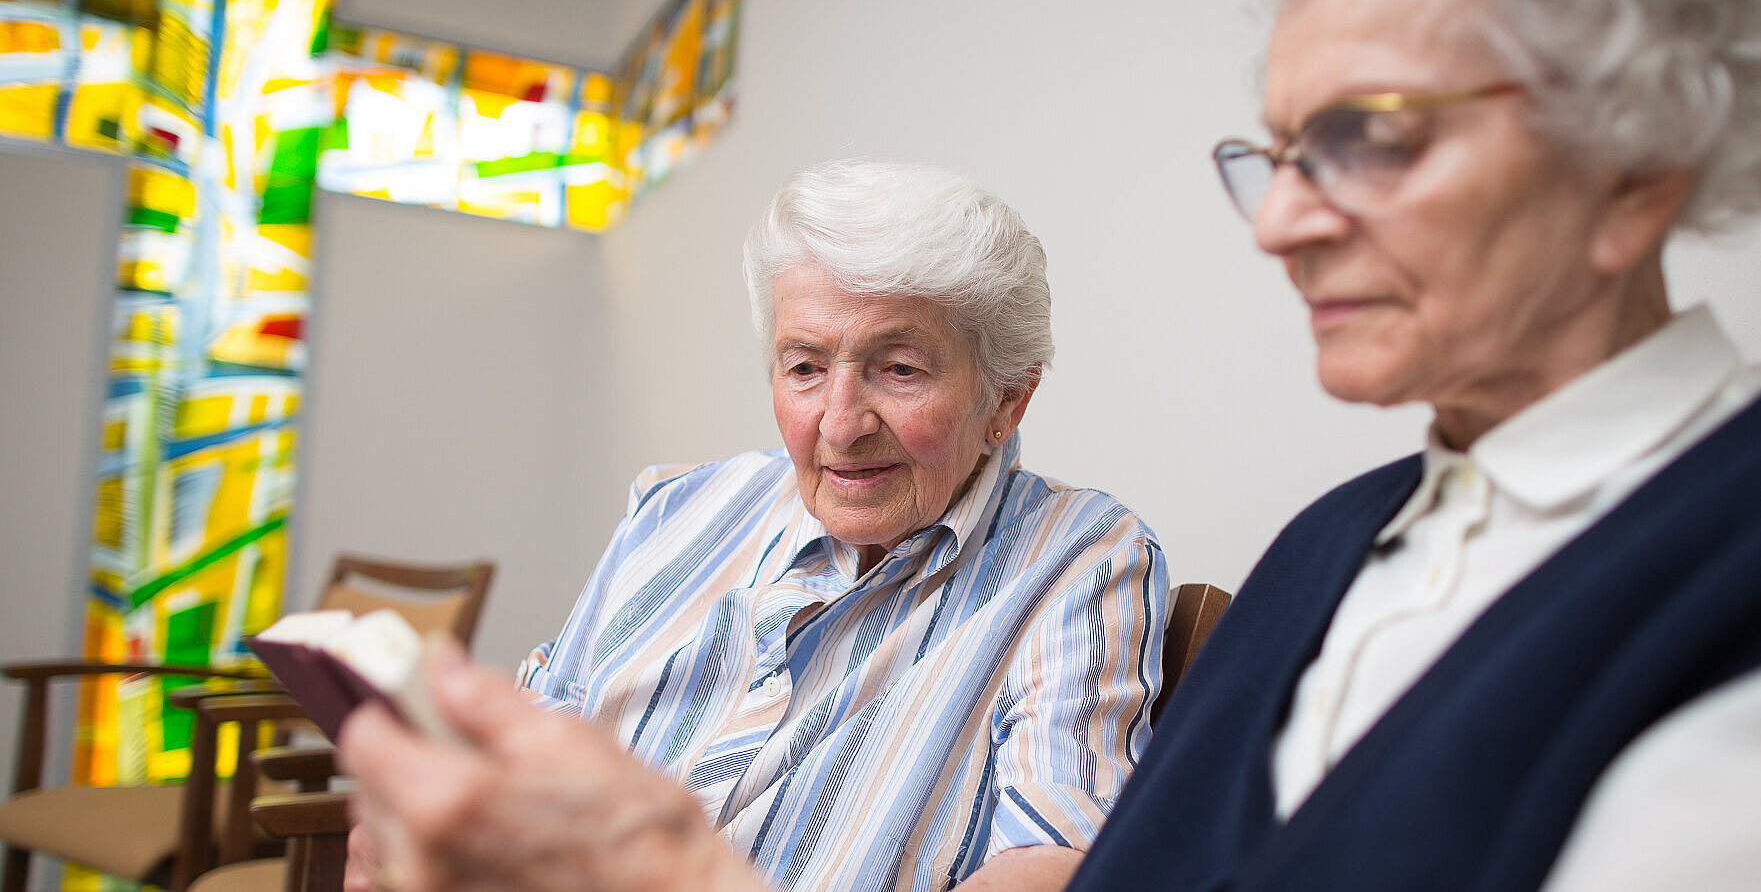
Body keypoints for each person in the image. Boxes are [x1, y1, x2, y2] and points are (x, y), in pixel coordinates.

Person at [1065, 0, 1761, 889]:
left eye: (1371, 137)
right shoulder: (1327, 539)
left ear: (1632, 171)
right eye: (1281, 157)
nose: (1277, 225)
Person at [337, 159, 1170, 892]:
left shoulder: (1079, 556)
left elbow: (1057, 857)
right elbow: (540, 722)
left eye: (900, 369)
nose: (839, 424)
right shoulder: (677, 508)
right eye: (804, 366)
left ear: (1007, 400)